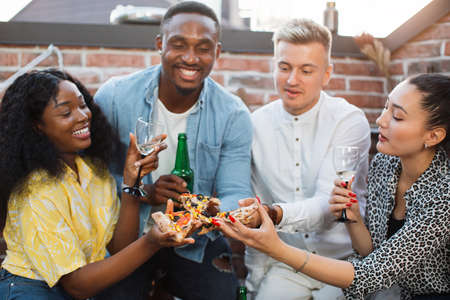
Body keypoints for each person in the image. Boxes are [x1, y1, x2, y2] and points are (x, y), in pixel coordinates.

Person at [215, 73, 450, 300]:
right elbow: (373, 253)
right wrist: (353, 218)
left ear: (433, 136)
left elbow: (370, 275)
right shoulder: (386, 164)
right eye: (386, 107)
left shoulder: (444, 195)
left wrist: (277, 249)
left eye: (397, 116)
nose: (381, 120)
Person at [94, 1, 252, 299]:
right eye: (179, 45)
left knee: (222, 293)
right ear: (160, 44)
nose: (190, 58)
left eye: (203, 48)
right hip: (127, 237)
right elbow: (91, 180)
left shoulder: (233, 114)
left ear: (217, 52)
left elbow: (236, 193)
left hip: (197, 241)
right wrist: (144, 194)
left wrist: (204, 209)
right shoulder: (115, 97)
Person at [0, 69, 197, 300]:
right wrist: (152, 241)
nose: (83, 116)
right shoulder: (35, 191)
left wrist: (132, 182)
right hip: (30, 290)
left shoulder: (95, 172)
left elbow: (119, 248)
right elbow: (77, 285)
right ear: (37, 126)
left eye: (83, 105)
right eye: (66, 112)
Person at [245, 18, 371, 300]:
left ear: (326, 74)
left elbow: (329, 205)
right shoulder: (255, 126)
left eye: (306, 70)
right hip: (286, 262)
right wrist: (254, 284)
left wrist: (275, 213)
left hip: (344, 263)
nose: (292, 80)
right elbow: (254, 213)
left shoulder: (348, 121)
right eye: (284, 67)